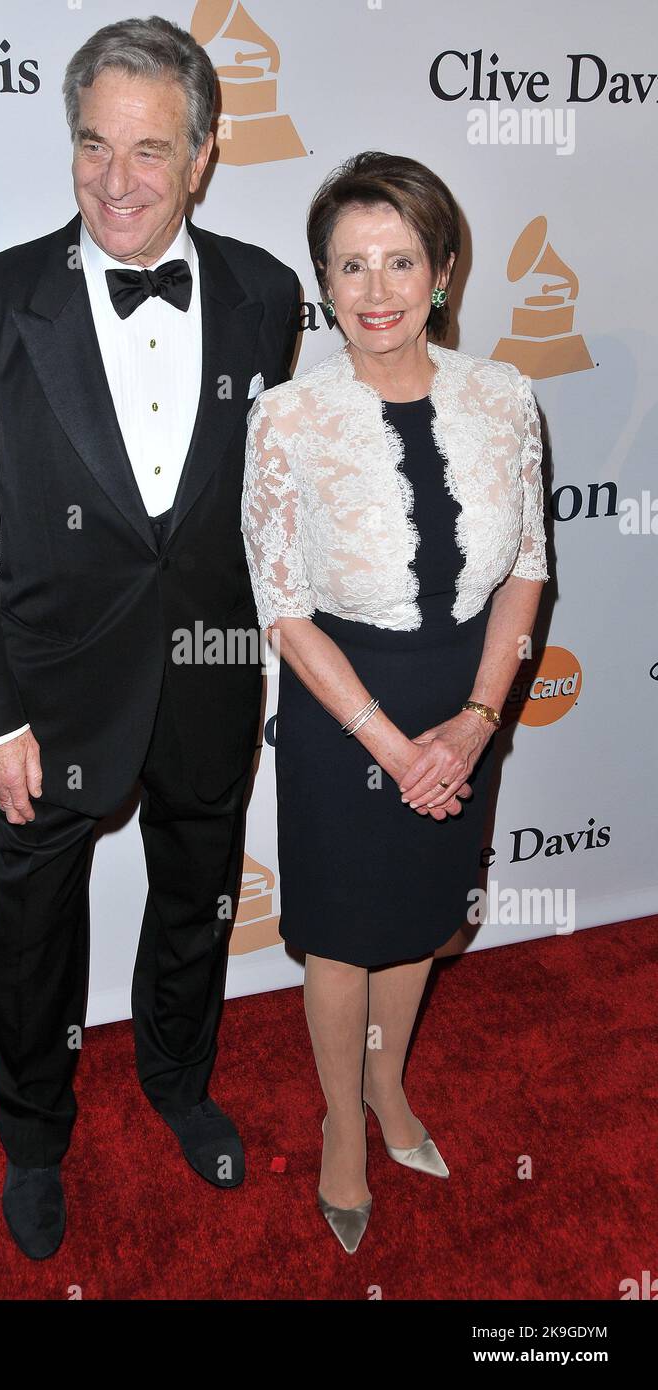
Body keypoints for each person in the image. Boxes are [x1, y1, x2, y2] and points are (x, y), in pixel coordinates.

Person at [0, 15, 300, 1260]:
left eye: (149, 150)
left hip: (206, 680)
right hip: (45, 696)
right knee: (34, 933)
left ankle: (179, 1083)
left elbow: (252, 503)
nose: (116, 181)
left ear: (201, 156)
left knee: (193, 902)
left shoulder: (263, 292)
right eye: (93, 145)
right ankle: (33, 1135)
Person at [241, 151, 549, 1254]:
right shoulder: (285, 416)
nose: (375, 290)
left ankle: (387, 1088)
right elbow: (282, 608)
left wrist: (473, 722)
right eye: (349, 265)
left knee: (420, 919)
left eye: (399, 260)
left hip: (462, 698)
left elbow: (523, 567)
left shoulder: (503, 394)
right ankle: (338, 1125)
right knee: (339, 936)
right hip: (339, 708)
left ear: (444, 267)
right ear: (321, 281)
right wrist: (384, 739)